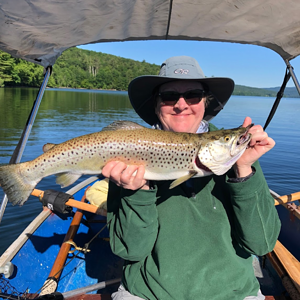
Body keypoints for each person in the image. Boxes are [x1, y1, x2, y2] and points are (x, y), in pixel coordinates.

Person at [101, 56, 281, 300]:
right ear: (156, 105)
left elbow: (262, 245)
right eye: (169, 96)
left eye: (193, 95)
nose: (181, 105)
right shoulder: (129, 156)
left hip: (233, 294)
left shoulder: (236, 155)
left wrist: (245, 170)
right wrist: (138, 192)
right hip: (149, 294)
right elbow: (130, 251)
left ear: (205, 103)